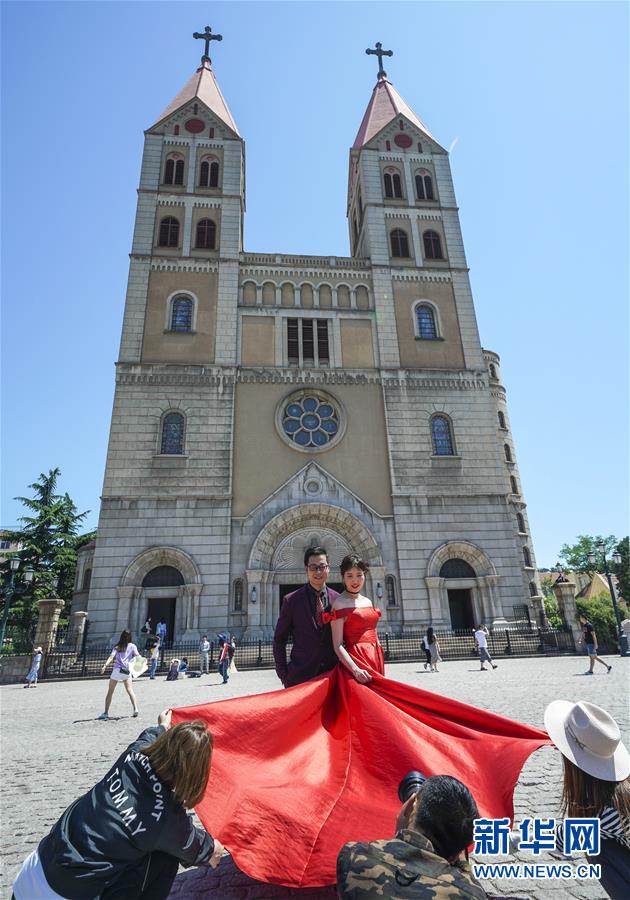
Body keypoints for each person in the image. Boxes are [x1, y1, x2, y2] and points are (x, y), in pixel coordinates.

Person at [173, 552, 549, 888]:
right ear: (307, 570)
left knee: (373, 736)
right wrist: (287, 675)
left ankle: (389, 797)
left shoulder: (341, 598)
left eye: (328, 568)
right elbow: (285, 639)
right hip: (313, 678)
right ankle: (294, 806)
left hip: (358, 673)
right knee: (301, 746)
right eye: (317, 568)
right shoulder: (296, 599)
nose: (324, 573)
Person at [12, 710, 225, 899]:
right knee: (165, 857)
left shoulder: (133, 755)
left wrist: (162, 725)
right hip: (66, 894)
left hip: (32, 872)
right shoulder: (167, 820)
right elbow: (209, 854)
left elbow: (151, 734)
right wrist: (223, 842)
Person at [337, 774, 486, 898]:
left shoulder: (354, 855)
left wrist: (402, 836)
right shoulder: (469, 893)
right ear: (457, 853)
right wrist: (462, 864)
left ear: (410, 807)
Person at [545, 700, 629, 898]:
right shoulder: (621, 791)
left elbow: (561, 842)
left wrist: (515, 838)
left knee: (596, 845)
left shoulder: (604, 811)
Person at [273, 545, 340, 687]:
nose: (318, 571)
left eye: (322, 566)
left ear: (328, 568)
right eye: (313, 567)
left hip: (333, 676)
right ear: (306, 569)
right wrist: (284, 674)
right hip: (300, 677)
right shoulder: (291, 600)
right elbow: (279, 639)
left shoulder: (339, 600)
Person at [98, 630, 140, 720]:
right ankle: (135, 708)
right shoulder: (132, 646)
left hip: (117, 670)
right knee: (130, 690)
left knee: (110, 692)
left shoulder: (117, 647)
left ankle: (106, 712)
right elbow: (138, 657)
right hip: (126, 670)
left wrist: (105, 665)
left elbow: (111, 657)